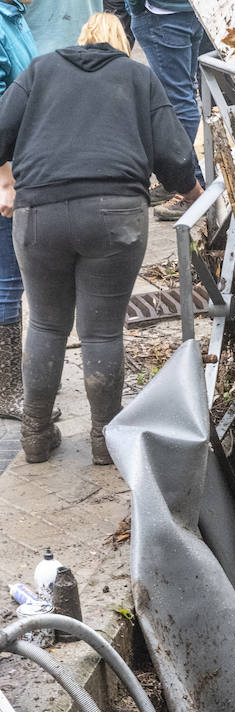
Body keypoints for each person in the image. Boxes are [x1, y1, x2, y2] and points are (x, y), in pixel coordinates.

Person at [0, 11, 201, 464]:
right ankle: (103, 439)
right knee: (102, 331)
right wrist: (193, 193)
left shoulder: (40, 70)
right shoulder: (138, 77)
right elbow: (174, 156)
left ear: (81, 39)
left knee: (46, 324)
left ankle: (35, 434)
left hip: (39, 216)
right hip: (115, 215)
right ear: (122, 44)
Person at [125, 0, 205, 220]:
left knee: (179, 102)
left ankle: (193, 187)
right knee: (186, 94)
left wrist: (136, 8)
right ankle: (180, 181)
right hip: (187, 11)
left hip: (162, 13)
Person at [0, 0, 35, 421]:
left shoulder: (13, 15)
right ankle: (7, 390)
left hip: (19, 161)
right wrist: (4, 180)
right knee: (7, 280)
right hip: (5, 172)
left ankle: (13, 380)